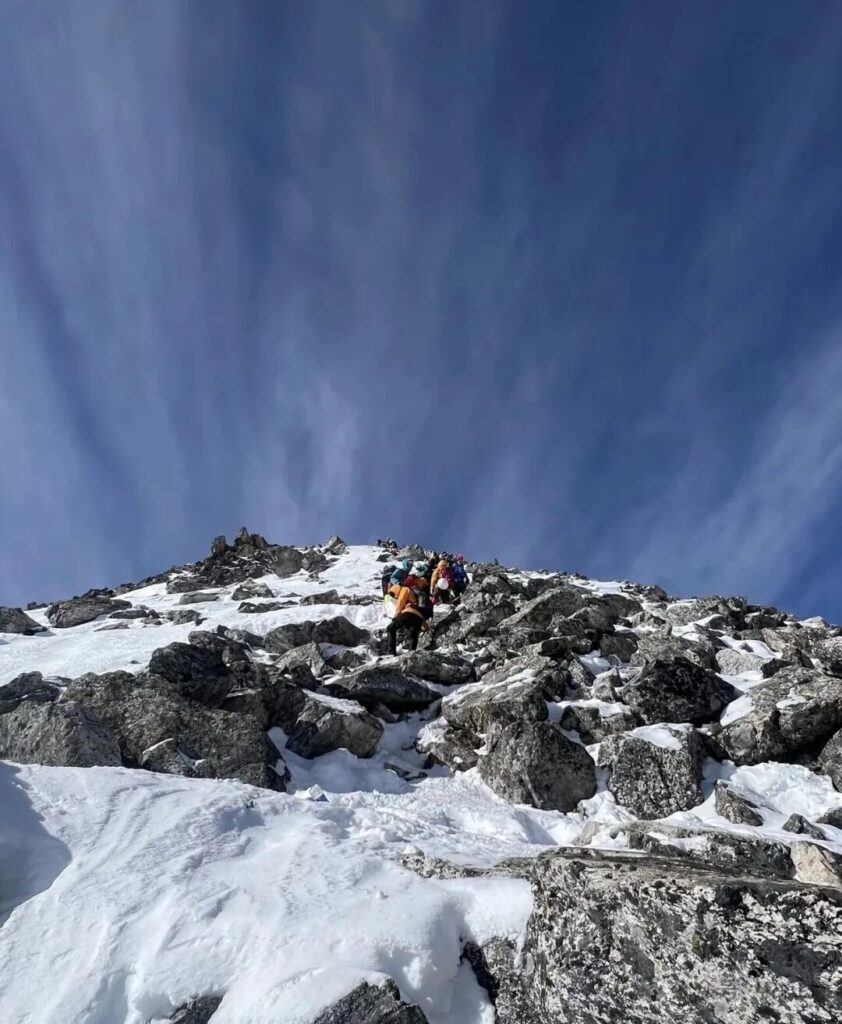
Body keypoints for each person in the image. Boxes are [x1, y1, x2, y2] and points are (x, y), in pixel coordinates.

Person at [386, 576, 432, 654]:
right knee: (413, 635)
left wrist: (396, 615)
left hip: (408, 613)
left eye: (394, 594)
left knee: (390, 628)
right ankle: (411, 655)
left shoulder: (405, 589)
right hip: (418, 618)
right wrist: (426, 627)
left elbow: (401, 601)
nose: (395, 597)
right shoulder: (415, 593)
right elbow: (420, 615)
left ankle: (391, 653)